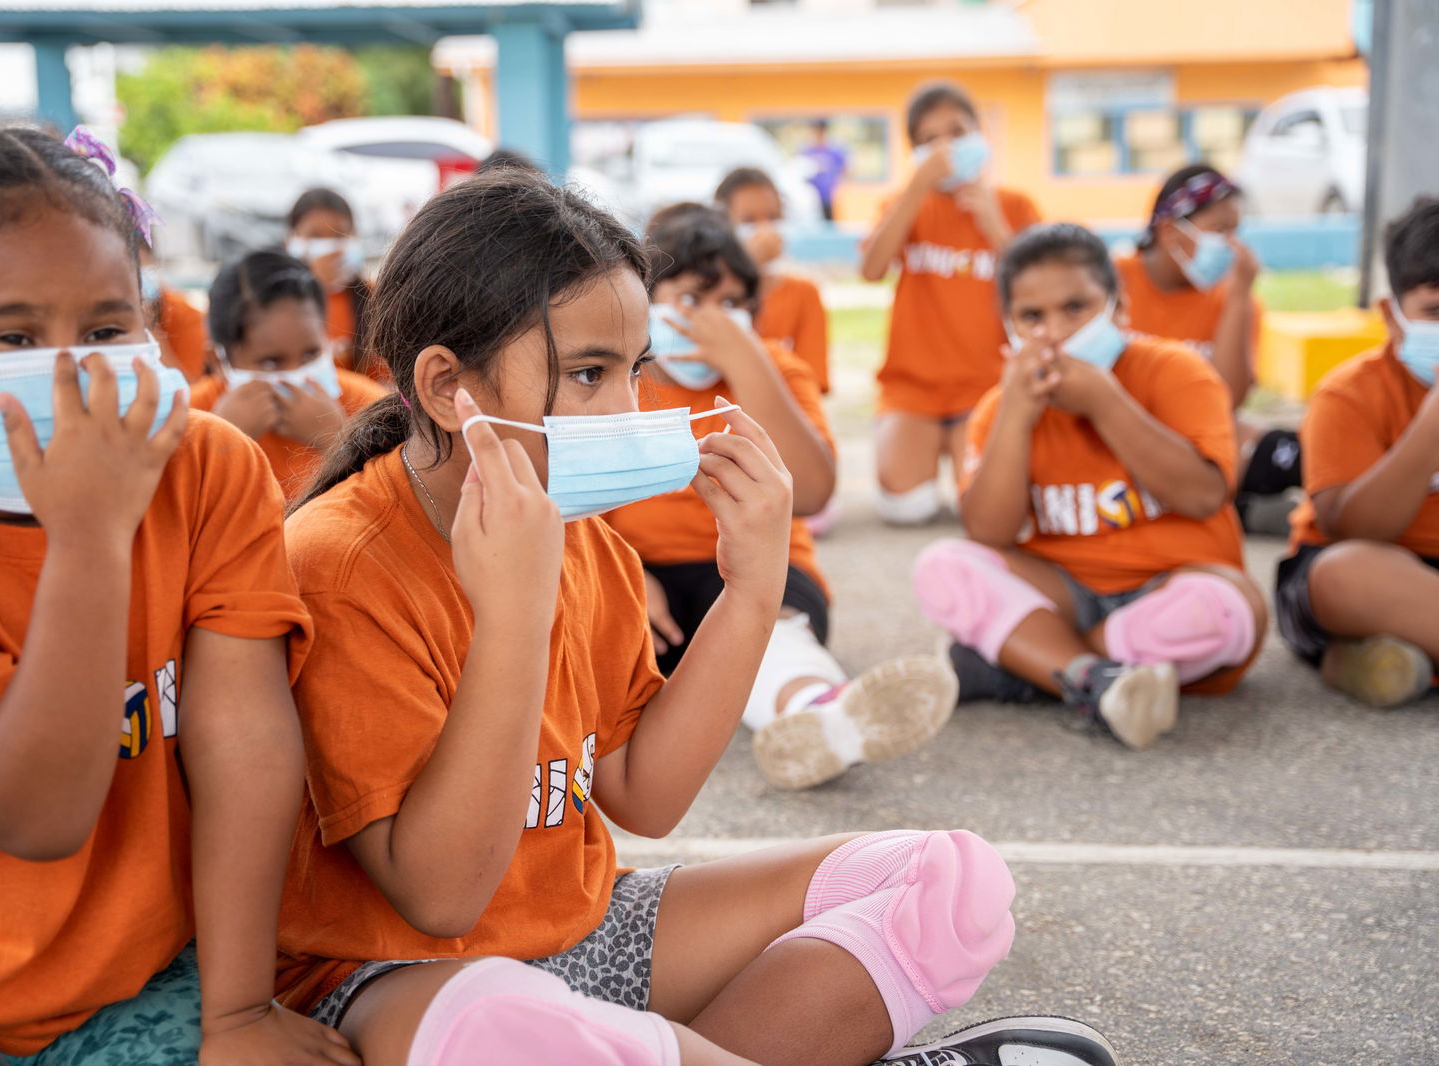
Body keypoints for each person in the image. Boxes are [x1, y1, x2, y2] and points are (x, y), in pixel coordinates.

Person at [273, 170, 1117, 1066]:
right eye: (588, 375)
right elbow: (441, 898)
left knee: (947, 882)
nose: (629, 413)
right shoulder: (341, 561)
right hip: (398, 980)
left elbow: (646, 791)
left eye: (633, 372)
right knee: (499, 1023)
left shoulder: (584, 538)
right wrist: (513, 615)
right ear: (448, 386)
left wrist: (752, 591)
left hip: (576, 936)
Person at [0, 120, 354, 1064]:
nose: (73, 371)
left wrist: (239, 1011)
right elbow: (33, 815)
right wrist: (90, 536)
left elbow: (241, 738)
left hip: (141, 976)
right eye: (16, 335)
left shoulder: (208, 471)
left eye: (108, 329)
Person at [616, 202, 951, 790]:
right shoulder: (616, 381)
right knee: (608, 642)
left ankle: (821, 715)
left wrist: (747, 364)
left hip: (762, 567)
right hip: (641, 576)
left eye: (734, 305)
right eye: (693, 300)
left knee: (770, 643)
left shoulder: (775, 368)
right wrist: (623, 575)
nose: (716, 321)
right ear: (644, 302)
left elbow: (815, 491)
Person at [912, 223, 1267, 751]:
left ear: (1118, 308)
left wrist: (1105, 403)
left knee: (1226, 610)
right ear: (1007, 327)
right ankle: (1093, 678)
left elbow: (1201, 495)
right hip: (1063, 590)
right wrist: (1016, 417)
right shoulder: (1001, 405)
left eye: (1075, 308)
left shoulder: (1177, 371)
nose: (1054, 332)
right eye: (1032, 317)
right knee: (942, 567)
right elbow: (988, 529)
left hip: (1166, 585)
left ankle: (1042, 666)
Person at [1273, 196, 1439, 708]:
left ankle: (1386, 659)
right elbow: (1354, 528)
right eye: (1435, 310)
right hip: (1357, 567)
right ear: (1392, 315)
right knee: (1347, 573)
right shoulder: (1349, 394)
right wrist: (1431, 427)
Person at [861, 82, 1041, 527]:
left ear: (980, 135)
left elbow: (1038, 288)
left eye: (957, 132)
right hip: (913, 387)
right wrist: (915, 190)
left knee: (980, 505)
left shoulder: (1015, 205)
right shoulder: (903, 205)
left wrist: (995, 224)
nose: (944, 146)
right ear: (914, 151)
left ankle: (958, 445)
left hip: (985, 383)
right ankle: (907, 440)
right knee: (907, 508)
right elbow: (871, 268)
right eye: (928, 139)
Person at [1120, 165, 1295, 534]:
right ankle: (1234, 507)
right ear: (1170, 231)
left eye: (1236, 231)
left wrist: (1237, 301)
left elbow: (1227, 399)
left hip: (1194, 434)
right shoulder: (1110, 280)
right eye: (1220, 231)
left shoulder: (1235, 299)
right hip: (1119, 430)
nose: (1233, 246)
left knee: (1287, 450)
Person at [192, 249, 384, 497]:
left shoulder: (367, 407)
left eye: (310, 355)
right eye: (271, 362)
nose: (296, 375)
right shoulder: (191, 418)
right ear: (218, 361)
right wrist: (222, 444)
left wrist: (338, 442)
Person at [714, 167, 831, 394]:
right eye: (749, 220)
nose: (765, 229)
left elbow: (811, 383)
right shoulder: (710, 296)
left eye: (773, 217)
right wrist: (743, 267)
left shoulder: (804, 293)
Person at [286, 187, 377, 378]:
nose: (329, 247)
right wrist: (312, 287)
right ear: (291, 239)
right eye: (315, 236)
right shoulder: (276, 301)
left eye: (339, 235)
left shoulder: (375, 298)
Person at [141, 239, 213, 382]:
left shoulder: (187, 315)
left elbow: (189, 390)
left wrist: (150, 329)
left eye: (139, 271)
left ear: (154, 263)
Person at [799, 120, 846, 223]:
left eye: (820, 131)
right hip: (810, 198)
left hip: (828, 196)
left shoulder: (834, 151)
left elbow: (845, 168)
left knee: (829, 225)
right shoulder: (806, 151)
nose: (817, 134)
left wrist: (837, 183)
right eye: (815, 131)